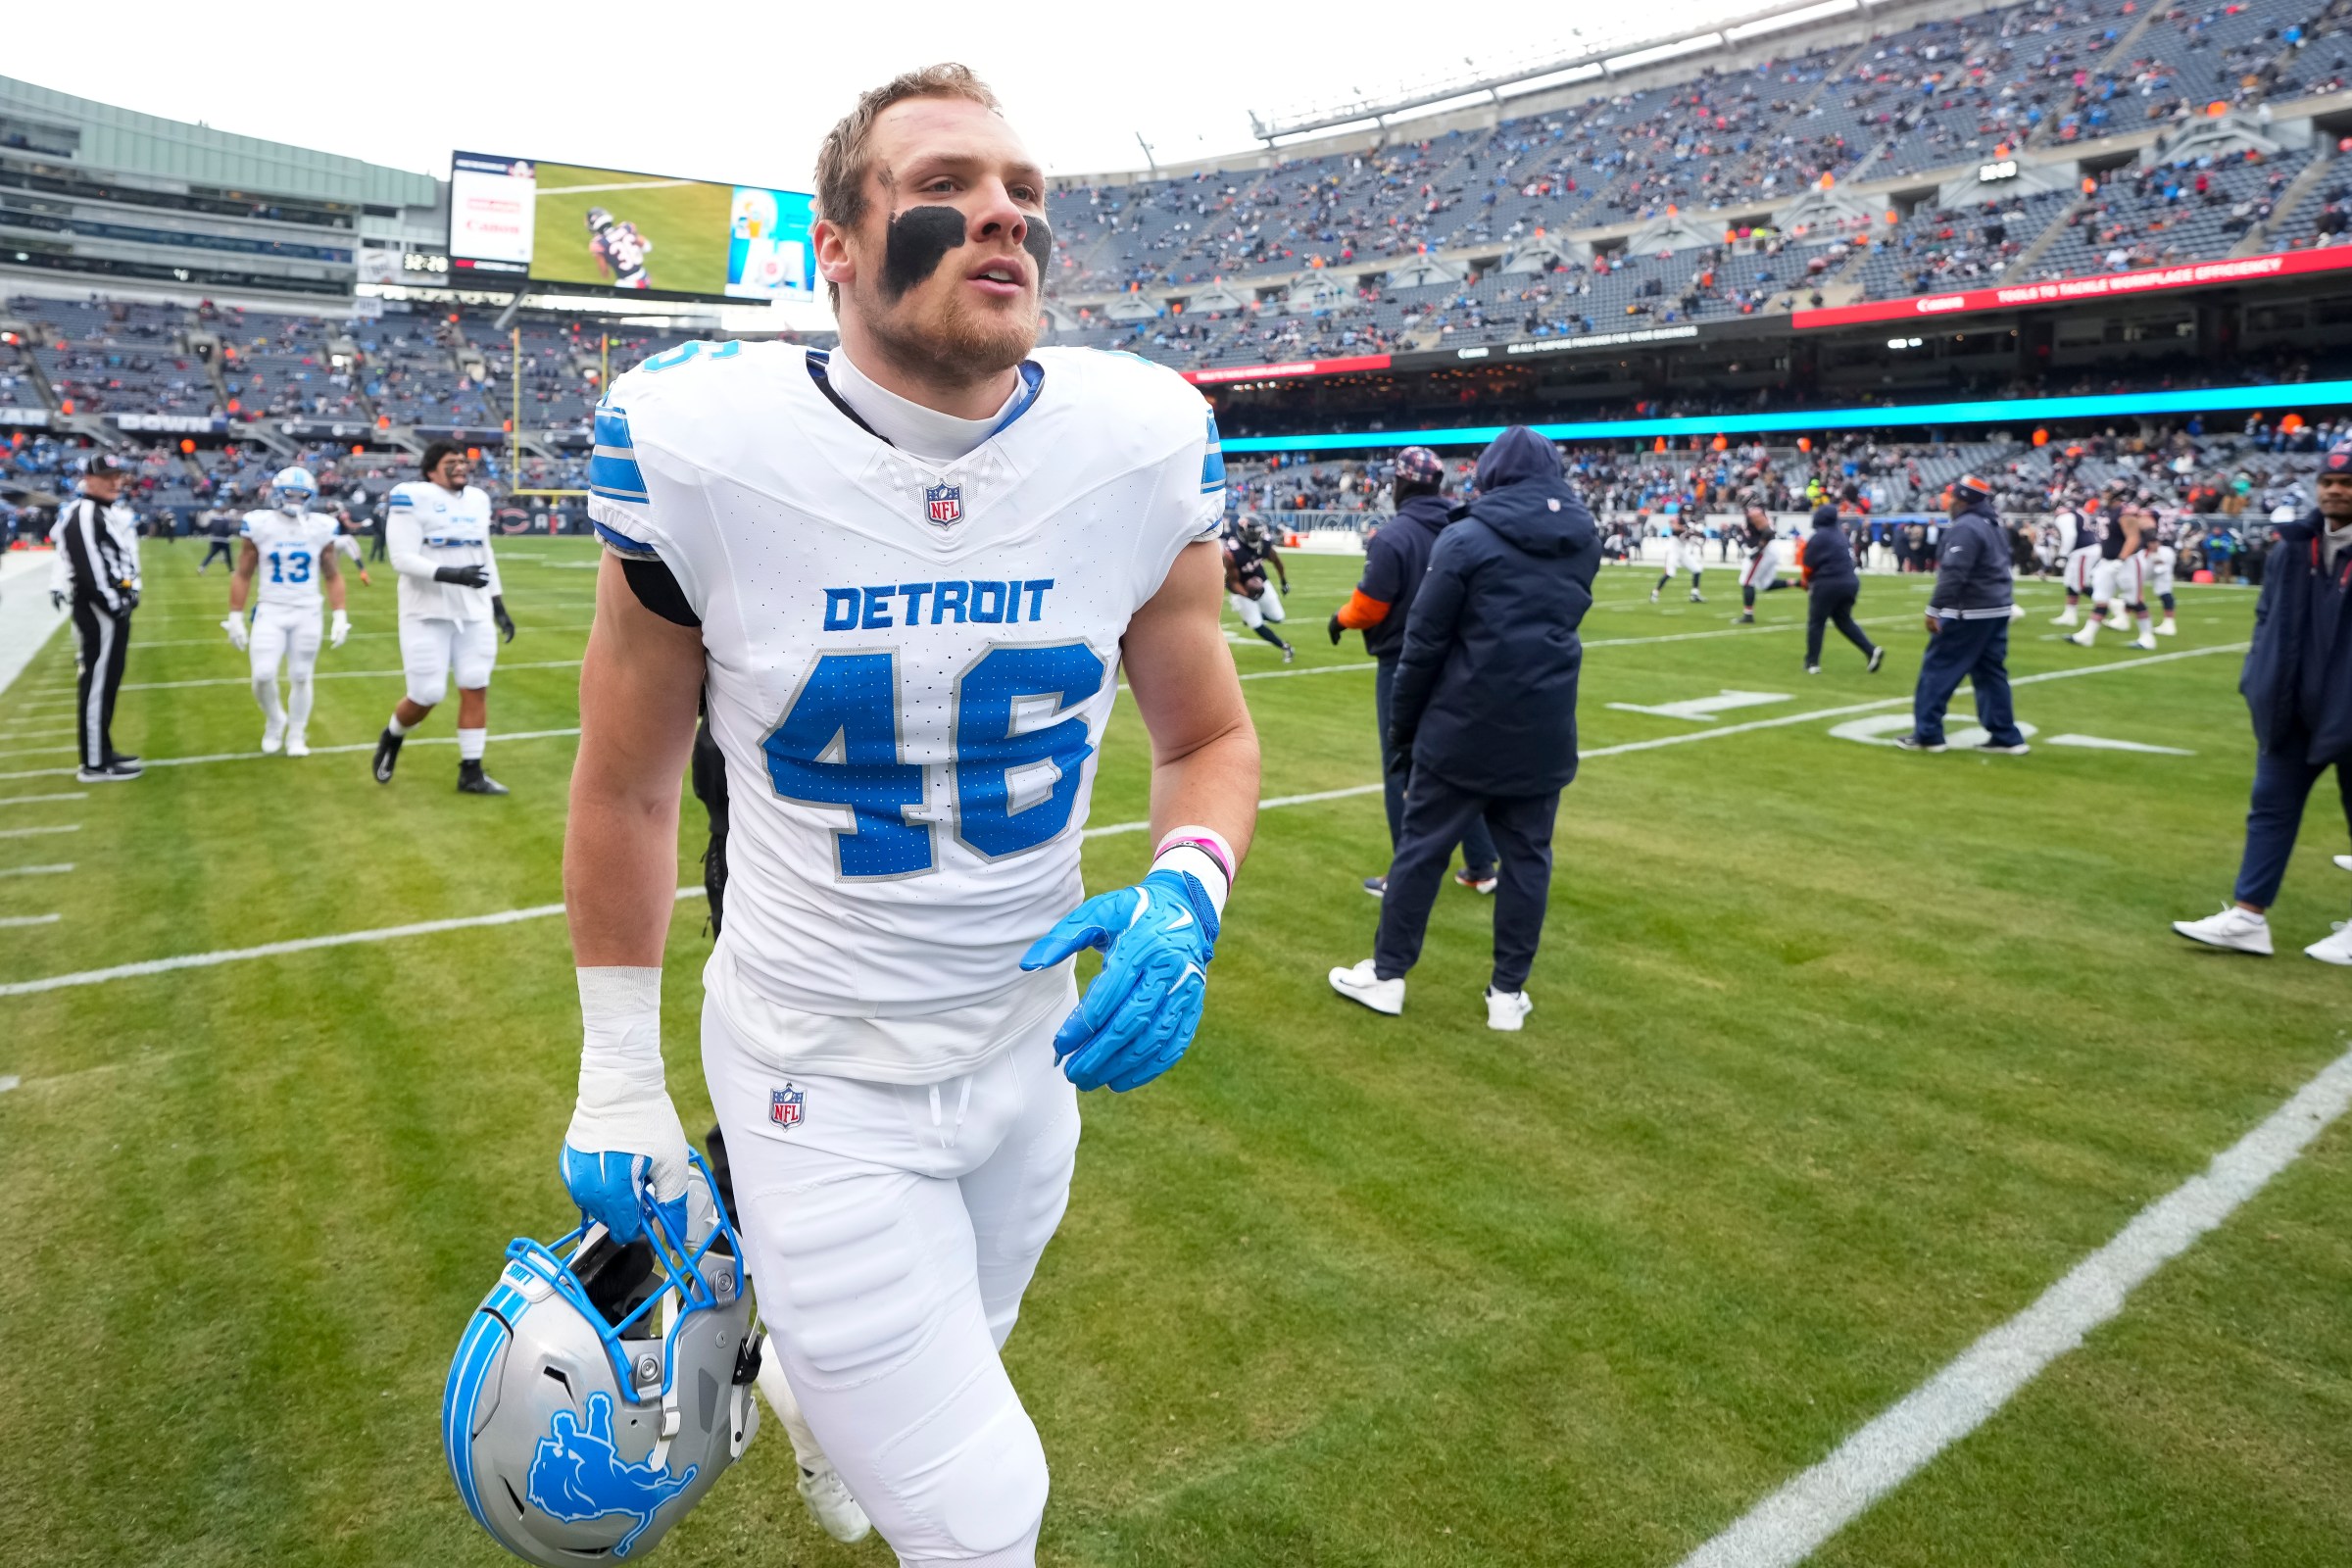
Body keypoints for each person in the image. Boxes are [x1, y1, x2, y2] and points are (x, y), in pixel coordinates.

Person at [558, 63, 1260, 1567]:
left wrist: (1190, 887)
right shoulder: (700, 448)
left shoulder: (1137, 442)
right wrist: (617, 1072)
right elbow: (622, 780)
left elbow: (1208, 735)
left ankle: (816, 1399)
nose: (1000, 211)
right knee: (979, 1511)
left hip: (1031, 1056)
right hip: (819, 1076)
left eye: (1023, 193)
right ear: (836, 241)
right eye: (943, 186)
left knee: (962, 1361)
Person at [1330, 426, 1598, 1030]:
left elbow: (1423, 646)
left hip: (1464, 724)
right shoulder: (1583, 539)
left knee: (1421, 852)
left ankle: (1388, 974)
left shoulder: (1466, 539)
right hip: (1545, 724)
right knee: (1528, 860)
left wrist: (1403, 731)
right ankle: (1507, 996)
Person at [2172, 440, 2352, 965]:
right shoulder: (2294, 547)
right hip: (2290, 708)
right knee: (2269, 810)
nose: (2336, 491)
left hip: (2348, 710)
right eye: (2329, 482)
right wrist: (2258, 678)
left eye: (2346, 483)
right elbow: (2266, 618)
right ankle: (2248, 918)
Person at [1327, 445, 1498, 898]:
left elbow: (1371, 605)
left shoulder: (1396, 535)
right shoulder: (1466, 525)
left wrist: (1340, 619)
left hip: (1405, 664)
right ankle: (1482, 864)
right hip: (1461, 663)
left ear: (1402, 484)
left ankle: (1407, 876)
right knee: (1457, 765)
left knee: (1400, 768)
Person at [369, 442, 516, 794]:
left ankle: (471, 771)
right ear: (431, 469)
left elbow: (485, 554)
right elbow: (401, 558)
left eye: (463, 462)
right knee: (426, 693)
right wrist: (453, 574)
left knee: (476, 683)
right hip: (426, 611)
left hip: (474, 610)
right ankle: (392, 736)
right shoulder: (411, 496)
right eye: (451, 463)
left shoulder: (478, 499)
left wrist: (498, 605)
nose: (461, 467)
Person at [220, 466, 351, 756]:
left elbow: (331, 573)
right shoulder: (260, 524)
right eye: (288, 494)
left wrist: (340, 614)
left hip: (307, 610)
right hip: (271, 608)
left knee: (302, 675)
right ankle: (276, 720)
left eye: (300, 495)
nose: (294, 500)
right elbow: (243, 573)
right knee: (263, 675)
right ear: (275, 494)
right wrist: (235, 616)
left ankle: (297, 734)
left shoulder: (320, 527)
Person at [1898, 475, 2029, 755]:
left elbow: (1955, 572)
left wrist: (1935, 609)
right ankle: (2006, 736)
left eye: (1951, 497)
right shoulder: (1993, 524)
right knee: (1990, 673)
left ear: (1962, 498)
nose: (1947, 502)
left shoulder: (1966, 527)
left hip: (1970, 611)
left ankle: (1928, 734)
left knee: (1938, 669)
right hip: (1997, 608)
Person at [49, 454, 143, 783]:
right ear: (88, 479)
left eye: (117, 476)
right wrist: (117, 604)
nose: (114, 482)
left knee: (107, 683)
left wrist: (130, 593)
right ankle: (94, 763)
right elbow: (90, 569)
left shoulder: (103, 512)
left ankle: (102, 750)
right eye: (106, 476)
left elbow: (120, 560)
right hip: (99, 611)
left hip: (109, 608)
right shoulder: (84, 514)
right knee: (97, 685)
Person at [1799, 499, 1883, 674]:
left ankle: (1812, 662)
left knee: (1817, 621)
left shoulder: (1819, 536)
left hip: (1828, 582)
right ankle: (1870, 650)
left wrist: (1806, 581)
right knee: (1843, 619)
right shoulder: (1840, 535)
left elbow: (1808, 564)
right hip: (1850, 582)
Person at [2070, 499, 2158, 650]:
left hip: (2127, 562)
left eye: (2108, 491)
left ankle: (2148, 638)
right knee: (2101, 599)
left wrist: (2121, 559)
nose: (2104, 494)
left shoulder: (2125, 513)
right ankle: (2087, 635)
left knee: (2134, 600)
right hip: (2107, 561)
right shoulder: (2107, 511)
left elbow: (2133, 538)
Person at [1223, 514, 1294, 661]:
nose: (1256, 538)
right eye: (1252, 534)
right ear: (1242, 533)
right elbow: (1232, 582)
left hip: (1261, 581)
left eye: (1257, 534)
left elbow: (1277, 561)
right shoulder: (1233, 552)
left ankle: (1256, 615)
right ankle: (1284, 646)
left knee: (1278, 617)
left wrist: (1283, 581)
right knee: (1255, 624)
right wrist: (1248, 595)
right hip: (1241, 588)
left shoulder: (1265, 542)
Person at [1736, 501, 1788, 624]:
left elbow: (1768, 532)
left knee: (1747, 581)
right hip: (1766, 549)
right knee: (1764, 584)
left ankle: (1748, 615)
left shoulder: (1755, 512)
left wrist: (1758, 549)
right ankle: (1798, 583)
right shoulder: (1758, 512)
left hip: (1764, 550)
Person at [2052, 497, 2098, 625]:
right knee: (2070, 582)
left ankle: (2111, 603)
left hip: (2083, 550)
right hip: (2082, 550)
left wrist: (2062, 555)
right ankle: (2069, 615)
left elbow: (2070, 536)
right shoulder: (2077, 513)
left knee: (2080, 584)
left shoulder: (2065, 517)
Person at [1651, 514, 1704, 603]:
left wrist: (1695, 532)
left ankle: (1695, 594)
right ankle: (1655, 593)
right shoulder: (1680, 529)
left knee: (1697, 569)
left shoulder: (1690, 528)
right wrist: (1688, 530)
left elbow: (1698, 536)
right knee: (1670, 573)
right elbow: (1677, 530)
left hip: (1683, 552)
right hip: (1673, 552)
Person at [196, 506, 237, 574]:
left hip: (214, 539)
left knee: (211, 554)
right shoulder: (225, 520)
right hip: (224, 540)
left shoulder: (213, 520)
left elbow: (209, 528)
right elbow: (227, 531)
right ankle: (231, 570)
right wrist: (230, 534)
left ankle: (201, 567)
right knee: (228, 555)